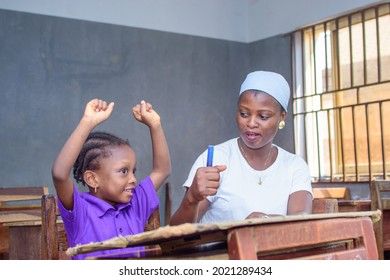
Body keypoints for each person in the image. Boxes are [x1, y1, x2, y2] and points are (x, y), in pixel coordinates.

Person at [170, 71, 312, 225]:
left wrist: (265, 221)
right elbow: (176, 232)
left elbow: (301, 222)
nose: (251, 123)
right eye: (244, 114)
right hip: (217, 250)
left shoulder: (294, 167)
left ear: (282, 117)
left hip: (272, 249)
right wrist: (192, 197)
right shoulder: (217, 159)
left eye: (263, 116)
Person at [52, 98, 170, 259]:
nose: (133, 179)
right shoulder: (81, 212)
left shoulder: (135, 206)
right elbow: (60, 174)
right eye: (123, 171)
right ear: (92, 179)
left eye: (133, 171)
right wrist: (87, 122)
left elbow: (162, 170)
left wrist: (155, 125)